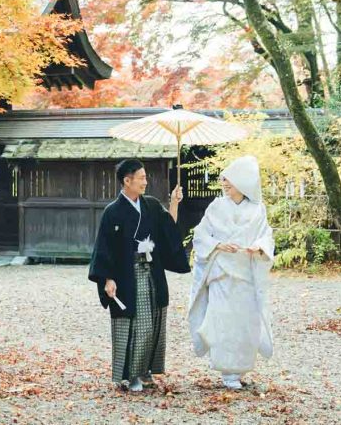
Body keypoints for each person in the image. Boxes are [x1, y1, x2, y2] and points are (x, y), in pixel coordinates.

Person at [88, 158, 191, 392]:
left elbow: (168, 229)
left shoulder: (152, 205)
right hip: (127, 275)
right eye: (142, 177)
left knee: (153, 321)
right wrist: (107, 278)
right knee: (134, 325)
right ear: (127, 180)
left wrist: (174, 202)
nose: (146, 181)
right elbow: (104, 249)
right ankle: (130, 374)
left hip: (151, 272)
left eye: (145, 177)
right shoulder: (112, 212)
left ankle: (145, 371)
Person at [187, 155, 275, 390]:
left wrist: (260, 247)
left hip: (246, 273)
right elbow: (200, 235)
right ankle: (227, 372)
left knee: (245, 323)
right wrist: (217, 245)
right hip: (223, 275)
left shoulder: (258, 210)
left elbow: (266, 235)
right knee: (223, 322)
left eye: (229, 180)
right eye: (223, 180)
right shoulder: (216, 207)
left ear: (243, 183)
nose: (224, 184)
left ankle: (240, 369)